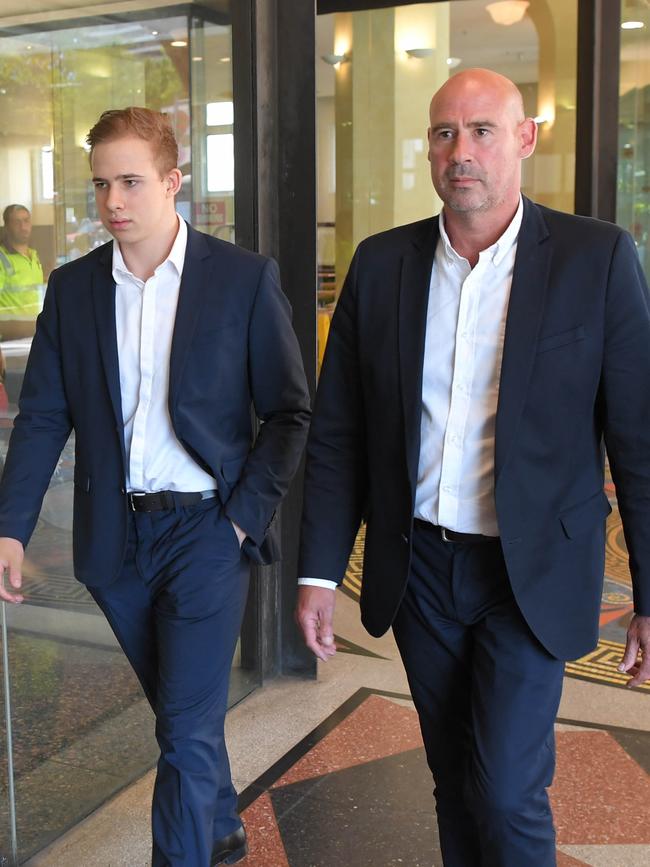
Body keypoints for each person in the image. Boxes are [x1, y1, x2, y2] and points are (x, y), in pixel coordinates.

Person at [295, 68, 650, 866]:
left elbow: (639, 442)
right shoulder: (382, 265)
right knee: (451, 776)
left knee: (504, 787)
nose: (463, 151)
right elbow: (339, 433)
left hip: (529, 574)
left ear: (525, 140)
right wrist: (318, 570)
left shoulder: (596, 260)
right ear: (428, 148)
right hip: (419, 569)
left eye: (483, 131)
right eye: (445, 133)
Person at [0, 108, 310, 867]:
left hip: (207, 532)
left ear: (175, 182)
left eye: (132, 181)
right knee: (182, 710)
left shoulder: (240, 279)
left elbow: (289, 412)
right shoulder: (72, 291)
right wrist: (9, 526)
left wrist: (240, 521)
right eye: (102, 183)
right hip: (115, 540)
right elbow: (41, 417)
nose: (114, 201)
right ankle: (222, 817)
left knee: (181, 729)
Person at [0, 204, 45, 340]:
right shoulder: (2, 259)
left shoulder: (34, 256)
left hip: (37, 333)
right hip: (12, 336)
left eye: (26, 221)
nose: (23, 226)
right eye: (17, 222)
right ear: (7, 226)